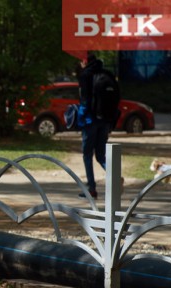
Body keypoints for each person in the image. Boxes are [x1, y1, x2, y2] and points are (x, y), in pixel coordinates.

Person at [76, 53, 112, 199]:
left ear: (85, 61)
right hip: (104, 121)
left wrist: (80, 119)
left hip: (90, 121)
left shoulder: (86, 75)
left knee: (87, 155)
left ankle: (91, 189)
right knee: (101, 155)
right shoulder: (106, 74)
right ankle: (116, 177)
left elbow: (85, 101)